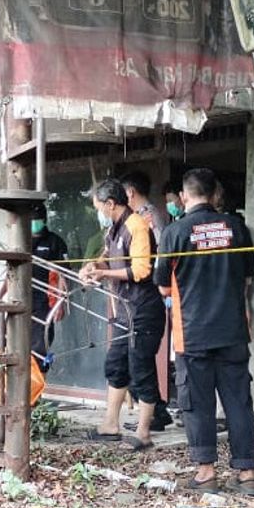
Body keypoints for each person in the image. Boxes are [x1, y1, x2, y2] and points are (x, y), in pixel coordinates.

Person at [154, 168, 254, 496]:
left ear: (184, 197)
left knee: (197, 403)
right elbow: (247, 279)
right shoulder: (237, 227)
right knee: (239, 402)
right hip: (233, 331)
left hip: (193, 334)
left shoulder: (174, 232)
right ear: (215, 194)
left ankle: (206, 473)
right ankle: (248, 474)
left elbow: (162, 289)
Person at [79, 178, 167, 451]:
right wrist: (93, 267)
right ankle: (110, 424)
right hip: (123, 311)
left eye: (99, 207)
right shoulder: (113, 231)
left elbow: (141, 271)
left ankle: (143, 432)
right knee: (115, 364)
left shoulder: (137, 226)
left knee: (141, 368)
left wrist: (104, 273)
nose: (99, 212)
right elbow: (106, 258)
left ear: (110, 203)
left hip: (143, 310)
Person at [121, 170, 175, 432]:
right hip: (138, 296)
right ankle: (158, 410)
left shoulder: (148, 219)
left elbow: (161, 258)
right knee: (138, 359)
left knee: (139, 359)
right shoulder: (134, 219)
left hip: (149, 293)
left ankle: (154, 415)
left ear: (129, 192)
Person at [30, 208, 68, 372]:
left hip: (46, 300)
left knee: (41, 346)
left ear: (44, 220)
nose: (34, 223)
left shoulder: (55, 242)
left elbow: (63, 274)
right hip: (22, 298)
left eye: (37, 219)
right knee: (18, 344)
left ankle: (39, 390)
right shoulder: (22, 239)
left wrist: (60, 302)